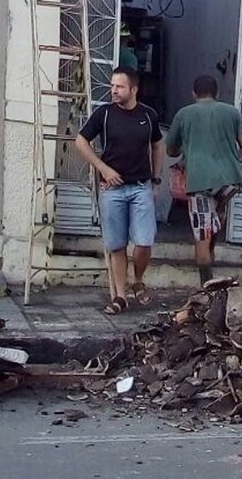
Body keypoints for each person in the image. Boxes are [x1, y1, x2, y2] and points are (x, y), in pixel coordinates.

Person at [75, 66, 165, 315]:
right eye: (112, 86)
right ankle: (120, 296)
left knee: (144, 242)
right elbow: (80, 141)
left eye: (119, 86)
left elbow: (158, 144)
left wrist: (156, 179)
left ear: (134, 89)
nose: (114, 91)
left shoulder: (148, 115)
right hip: (112, 190)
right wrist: (103, 168)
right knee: (116, 245)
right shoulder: (103, 114)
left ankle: (138, 280)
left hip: (140, 187)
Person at [166, 75, 242, 285]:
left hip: (200, 183)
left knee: (202, 231)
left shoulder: (184, 114)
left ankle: (205, 285)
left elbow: (170, 150)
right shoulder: (232, 113)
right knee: (215, 216)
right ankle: (211, 251)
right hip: (230, 182)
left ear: (193, 94)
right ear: (216, 94)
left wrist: (187, 147)